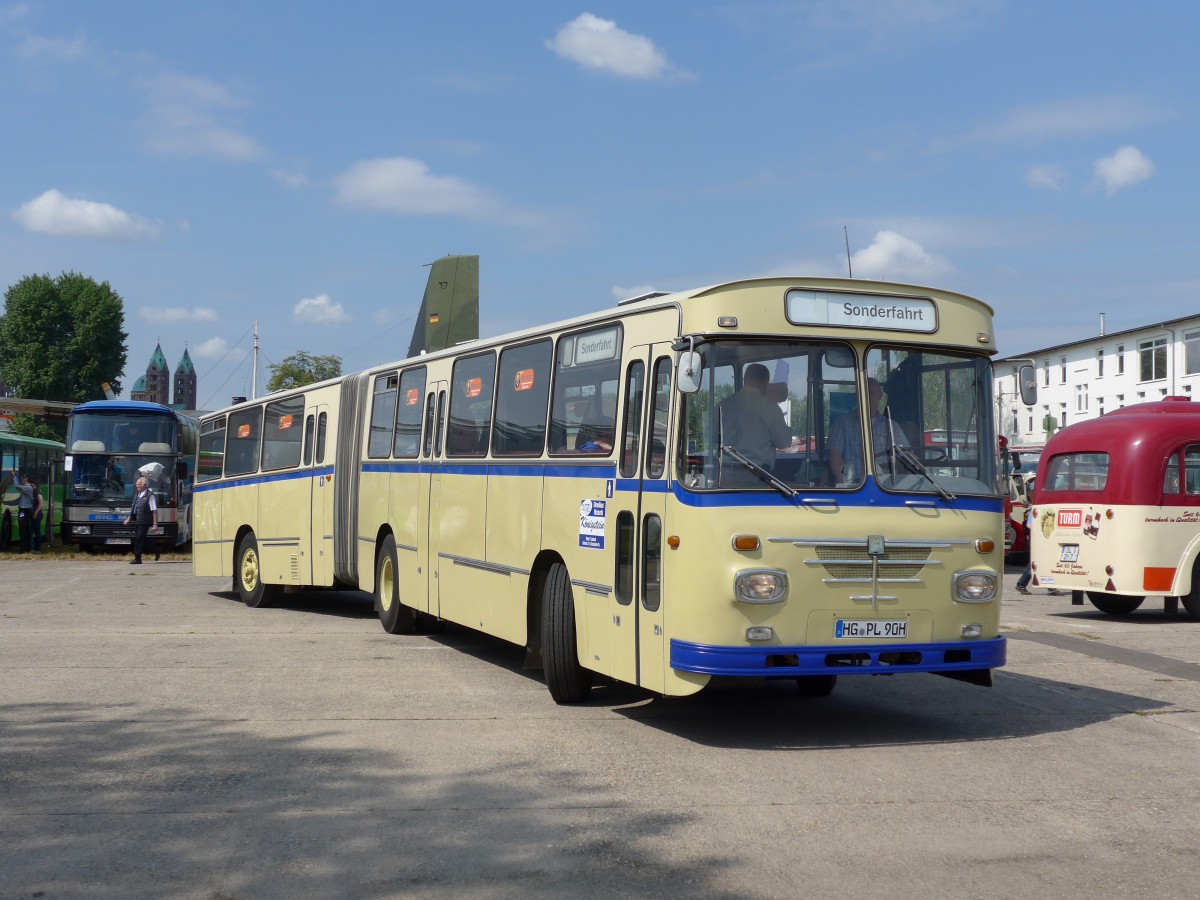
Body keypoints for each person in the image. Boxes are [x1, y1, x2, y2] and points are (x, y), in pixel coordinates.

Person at [827, 378, 910, 484]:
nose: (866, 397)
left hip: (886, 486)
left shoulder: (892, 426)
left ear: (880, 396)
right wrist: (846, 486)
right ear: (856, 396)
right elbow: (835, 457)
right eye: (862, 393)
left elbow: (907, 457)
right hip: (854, 484)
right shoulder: (842, 423)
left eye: (870, 393)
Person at [717, 363, 792, 479]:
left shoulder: (723, 404)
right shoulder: (771, 408)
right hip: (757, 476)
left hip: (724, 474)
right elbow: (783, 442)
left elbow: (711, 436)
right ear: (766, 382)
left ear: (744, 379)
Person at [1016, 487, 1062, 596]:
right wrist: (1041, 530)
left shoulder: (1044, 509)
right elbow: (1029, 525)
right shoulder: (1035, 509)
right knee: (1036, 562)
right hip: (1038, 540)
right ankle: (1021, 585)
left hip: (1044, 539)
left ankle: (1050, 588)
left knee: (1044, 562)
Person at [124, 476, 158, 564]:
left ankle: (137, 558)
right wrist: (129, 518)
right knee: (141, 539)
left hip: (145, 521)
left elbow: (154, 511)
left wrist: (155, 524)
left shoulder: (150, 496)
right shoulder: (137, 494)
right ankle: (156, 550)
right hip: (137, 520)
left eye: (138, 484)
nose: (137, 486)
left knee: (139, 538)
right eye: (136, 484)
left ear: (145, 485)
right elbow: (134, 508)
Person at [11, 470, 36, 552]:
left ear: (25, 480)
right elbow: (16, 501)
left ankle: (24, 548)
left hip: (24, 511)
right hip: (25, 510)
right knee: (25, 529)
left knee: (23, 529)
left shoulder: (28, 488)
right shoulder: (28, 489)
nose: (20, 481)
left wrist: (14, 477)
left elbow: (17, 487)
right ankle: (26, 548)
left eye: (21, 479)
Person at [31, 480, 44, 553]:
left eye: (32, 485)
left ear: (36, 486)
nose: (31, 487)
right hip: (34, 514)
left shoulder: (38, 494)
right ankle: (33, 547)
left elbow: (41, 504)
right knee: (33, 531)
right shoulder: (32, 493)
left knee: (37, 531)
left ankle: (37, 548)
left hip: (37, 514)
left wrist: (36, 512)